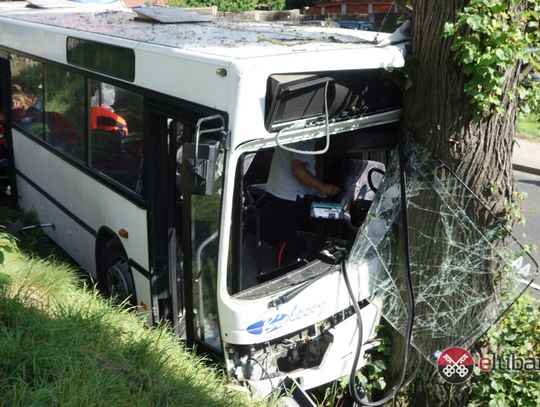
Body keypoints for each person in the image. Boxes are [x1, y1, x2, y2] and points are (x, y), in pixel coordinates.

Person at [263, 141, 340, 265]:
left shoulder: (292, 129)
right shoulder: (307, 140)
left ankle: (293, 249)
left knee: (285, 235)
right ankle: (284, 272)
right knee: (287, 241)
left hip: (275, 190)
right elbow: (298, 169)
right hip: (288, 196)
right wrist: (322, 186)